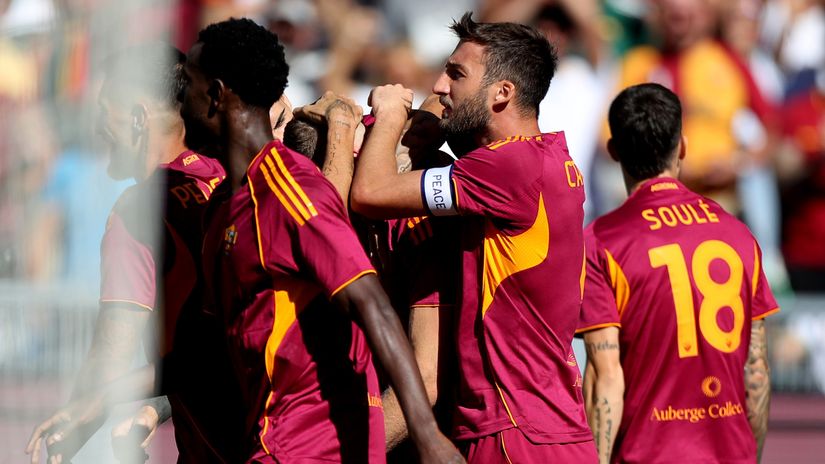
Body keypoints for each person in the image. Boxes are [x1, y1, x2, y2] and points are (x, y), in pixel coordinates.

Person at [178, 18, 462, 463]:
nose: (180, 100)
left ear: (215, 94)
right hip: (263, 444)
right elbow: (208, 343)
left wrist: (429, 439)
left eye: (188, 85)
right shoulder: (221, 209)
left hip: (311, 448)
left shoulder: (290, 191)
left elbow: (371, 303)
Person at [350, 12, 597, 463]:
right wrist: (433, 127)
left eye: (456, 74)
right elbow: (452, 132)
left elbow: (370, 193)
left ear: (502, 92)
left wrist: (389, 116)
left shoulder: (507, 166)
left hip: (511, 430)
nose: (439, 85)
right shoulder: (544, 157)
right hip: (554, 429)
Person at [25, 42, 247, 463]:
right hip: (270, 425)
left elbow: (115, 346)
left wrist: (72, 427)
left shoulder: (140, 210)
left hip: (223, 445)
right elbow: (215, 342)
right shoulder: (226, 178)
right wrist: (156, 407)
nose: (99, 129)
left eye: (104, 111)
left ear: (138, 117)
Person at [578, 83, 778, 463]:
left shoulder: (602, 242)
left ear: (614, 150)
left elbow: (605, 379)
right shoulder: (737, 234)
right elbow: (756, 371)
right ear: (682, 146)